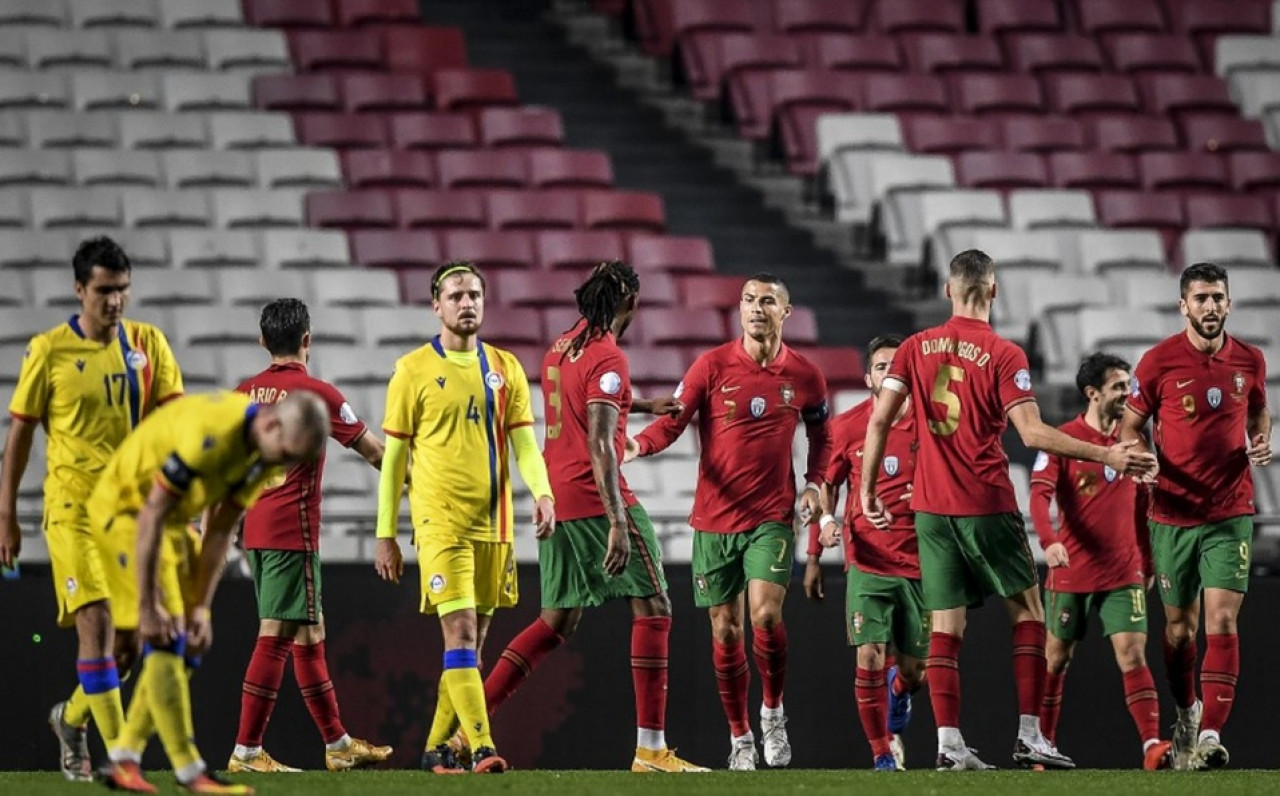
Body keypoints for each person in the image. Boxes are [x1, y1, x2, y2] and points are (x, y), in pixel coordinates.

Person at [860, 249, 1157, 771]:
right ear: (994, 291)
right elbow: (1032, 433)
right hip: (985, 501)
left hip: (930, 508)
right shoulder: (1003, 353)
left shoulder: (913, 348)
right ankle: (1029, 737)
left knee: (946, 626)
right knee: (1028, 612)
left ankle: (949, 745)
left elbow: (880, 418)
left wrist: (866, 489)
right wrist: (1106, 454)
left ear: (948, 290)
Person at [466, 260, 706, 773]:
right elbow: (599, 441)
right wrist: (617, 521)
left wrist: (642, 406)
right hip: (594, 495)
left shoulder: (561, 345)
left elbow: (582, 404)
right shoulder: (609, 356)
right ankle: (651, 750)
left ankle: (470, 729)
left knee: (556, 620)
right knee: (655, 606)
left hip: (557, 494)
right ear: (631, 302)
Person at [629, 273, 830, 771]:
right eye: (748, 300)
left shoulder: (805, 375)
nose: (756, 308)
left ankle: (773, 712)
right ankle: (740, 735)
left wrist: (814, 483)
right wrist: (638, 445)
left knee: (765, 616)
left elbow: (822, 436)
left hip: (771, 517)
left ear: (786, 312)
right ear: (739, 309)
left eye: (767, 301)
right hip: (715, 519)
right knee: (725, 630)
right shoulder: (712, 365)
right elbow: (673, 421)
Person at [0, 236, 183, 781]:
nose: (115, 300)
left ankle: (72, 717)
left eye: (122, 289)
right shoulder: (49, 350)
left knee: (126, 647)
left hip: (131, 514)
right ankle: (125, 763)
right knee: (97, 622)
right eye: (104, 290)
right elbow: (20, 437)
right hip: (72, 510)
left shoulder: (149, 344)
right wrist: (6, 514)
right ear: (80, 289)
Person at [93, 390, 330, 794]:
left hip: (172, 523)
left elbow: (221, 530)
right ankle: (190, 771)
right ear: (272, 424)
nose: (283, 467)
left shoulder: (261, 456)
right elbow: (152, 512)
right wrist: (149, 605)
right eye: (287, 455)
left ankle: (124, 759)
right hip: (127, 514)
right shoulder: (212, 434)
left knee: (186, 643)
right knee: (166, 639)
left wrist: (200, 608)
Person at [373, 261, 556, 775]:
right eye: (455, 295)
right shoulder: (411, 370)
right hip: (441, 523)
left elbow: (525, 445)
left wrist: (543, 493)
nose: (466, 303)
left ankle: (435, 750)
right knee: (459, 635)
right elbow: (394, 459)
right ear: (437, 305)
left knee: (470, 650)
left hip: (494, 526)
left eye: (474, 294)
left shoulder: (505, 367)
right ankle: (480, 746)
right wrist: (386, 532)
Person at [228, 299, 391, 773]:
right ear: (307, 340)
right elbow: (376, 453)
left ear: (263, 341)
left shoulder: (242, 395)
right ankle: (246, 751)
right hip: (291, 531)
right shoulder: (318, 394)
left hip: (256, 530)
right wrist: (426, 483)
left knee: (309, 631)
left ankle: (337, 744)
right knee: (276, 634)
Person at [1119, 262, 1270, 771]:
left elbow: (1258, 410)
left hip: (1230, 511)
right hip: (1172, 514)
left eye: (1218, 297)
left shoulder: (1249, 359)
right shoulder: (1158, 361)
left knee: (1222, 619)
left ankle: (1209, 736)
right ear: (1183, 305)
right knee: (1180, 631)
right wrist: (1141, 456)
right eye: (1201, 298)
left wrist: (1260, 437)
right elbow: (1129, 427)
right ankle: (1187, 712)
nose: (1210, 306)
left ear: (1229, 303)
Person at [1031, 352, 1172, 770]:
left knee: (1133, 654)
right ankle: (1041, 748)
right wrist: (1049, 541)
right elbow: (1038, 496)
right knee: (1056, 659)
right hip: (1071, 571)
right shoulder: (1064, 440)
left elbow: (1143, 509)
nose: (1127, 394)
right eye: (1118, 386)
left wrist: (1148, 562)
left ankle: (1152, 746)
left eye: (1129, 385)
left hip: (1123, 572)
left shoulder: (1136, 442)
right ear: (1093, 393)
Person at [811, 335, 926, 772]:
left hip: (921, 562)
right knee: (869, 655)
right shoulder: (847, 426)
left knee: (915, 672)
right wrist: (825, 524)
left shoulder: (931, 425)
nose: (890, 372)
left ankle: (899, 690)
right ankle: (882, 754)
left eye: (897, 365)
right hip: (868, 559)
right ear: (868, 378)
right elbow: (827, 483)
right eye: (881, 366)